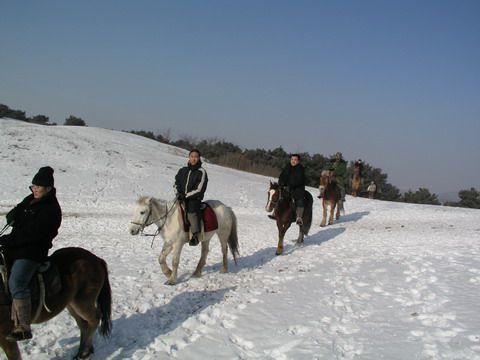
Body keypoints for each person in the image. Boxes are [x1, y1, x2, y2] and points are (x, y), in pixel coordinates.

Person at [0, 166, 62, 342]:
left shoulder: (51, 209)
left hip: (33, 251)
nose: (34, 190)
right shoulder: (32, 198)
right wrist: (13, 215)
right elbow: (20, 209)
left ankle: (23, 326)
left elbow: (32, 234)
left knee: (17, 281)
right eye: (32, 186)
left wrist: (6, 241)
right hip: (16, 246)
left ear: (48, 188)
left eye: (38, 187)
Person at [175, 150, 208, 246]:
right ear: (189, 157)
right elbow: (176, 183)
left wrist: (186, 196)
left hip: (194, 199)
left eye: (196, 157)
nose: (193, 159)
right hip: (181, 197)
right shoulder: (182, 170)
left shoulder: (201, 172)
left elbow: (199, 189)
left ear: (199, 158)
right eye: (191, 156)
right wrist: (178, 193)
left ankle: (195, 236)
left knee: (191, 214)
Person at [277, 154, 306, 225]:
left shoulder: (301, 169)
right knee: (278, 197)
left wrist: (291, 185)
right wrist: (281, 183)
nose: (293, 161)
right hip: (286, 188)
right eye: (292, 159)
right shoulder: (287, 167)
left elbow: (300, 180)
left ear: (298, 161)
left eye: (295, 160)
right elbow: (282, 176)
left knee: (300, 201)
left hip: (297, 189)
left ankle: (299, 217)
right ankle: (275, 213)